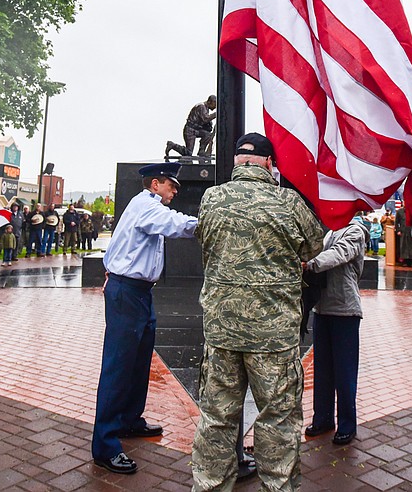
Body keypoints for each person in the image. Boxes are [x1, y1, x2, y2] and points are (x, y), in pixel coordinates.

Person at [191, 133, 323, 492]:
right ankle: (278, 486)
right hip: (274, 338)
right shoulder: (288, 202)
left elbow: (204, 240)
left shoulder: (212, 198)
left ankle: (210, 486)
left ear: (237, 161)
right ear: (268, 162)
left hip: (222, 332)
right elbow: (314, 245)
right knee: (278, 420)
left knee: (217, 419)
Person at [92, 163, 198, 475]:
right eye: (171, 186)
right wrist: (211, 221)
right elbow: (178, 225)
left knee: (138, 362)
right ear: (155, 184)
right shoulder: (148, 206)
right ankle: (105, 447)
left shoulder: (147, 207)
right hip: (128, 291)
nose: (175, 191)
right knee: (118, 367)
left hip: (138, 292)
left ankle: (128, 421)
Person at [304, 215, 366, 446]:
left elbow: (339, 254)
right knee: (322, 370)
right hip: (323, 309)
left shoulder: (355, 231)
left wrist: (310, 264)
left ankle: (347, 425)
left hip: (345, 312)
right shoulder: (330, 231)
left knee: (345, 372)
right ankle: (323, 418)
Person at [166, 94, 217, 160]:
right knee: (188, 153)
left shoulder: (206, 108)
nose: (215, 107)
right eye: (214, 104)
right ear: (210, 102)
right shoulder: (201, 107)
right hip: (189, 130)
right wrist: (215, 114)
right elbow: (205, 119)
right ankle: (172, 145)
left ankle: (201, 151)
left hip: (197, 130)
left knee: (208, 135)